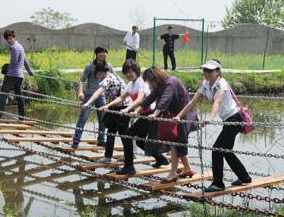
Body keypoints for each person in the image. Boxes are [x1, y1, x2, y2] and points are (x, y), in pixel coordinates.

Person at [175, 59, 252, 192]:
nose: (207, 73)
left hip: (234, 119)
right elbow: (192, 102)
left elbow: (217, 102)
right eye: (205, 70)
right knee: (226, 151)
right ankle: (244, 177)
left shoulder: (222, 83)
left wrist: (210, 118)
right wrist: (179, 116)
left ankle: (218, 184)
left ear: (218, 71)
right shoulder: (206, 84)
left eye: (210, 70)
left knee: (217, 149)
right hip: (227, 121)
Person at [100, 59, 168, 174]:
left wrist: (127, 109)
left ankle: (129, 167)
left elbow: (140, 99)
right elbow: (121, 98)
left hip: (149, 114)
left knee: (127, 137)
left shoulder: (141, 83)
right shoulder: (130, 84)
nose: (128, 74)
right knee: (140, 141)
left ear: (136, 71)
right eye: (126, 72)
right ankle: (160, 158)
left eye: (130, 72)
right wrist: (108, 105)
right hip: (142, 115)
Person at [136, 67, 197, 183]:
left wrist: (155, 114)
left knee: (174, 143)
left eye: (150, 81)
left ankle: (173, 173)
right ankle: (188, 169)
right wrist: (136, 111)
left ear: (156, 78)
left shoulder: (171, 83)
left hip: (184, 115)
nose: (150, 84)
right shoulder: (160, 85)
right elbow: (149, 99)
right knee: (176, 142)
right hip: (175, 116)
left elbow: (165, 99)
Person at [82, 64, 131, 164]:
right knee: (122, 133)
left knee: (114, 132)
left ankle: (109, 157)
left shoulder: (107, 79)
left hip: (120, 108)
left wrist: (88, 102)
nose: (97, 77)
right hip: (126, 106)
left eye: (97, 75)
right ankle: (128, 155)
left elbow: (98, 92)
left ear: (100, 72)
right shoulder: (115, 75)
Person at [72, 46, 114, 148]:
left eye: (104, 53)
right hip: (89, 95)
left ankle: (101, 140)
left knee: (103, 119)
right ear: (96, 54)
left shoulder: (108, 66)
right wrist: (81, 92)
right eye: (100, 53)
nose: (102, 55)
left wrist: (112, 97)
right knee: (83, 118)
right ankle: (76, 141)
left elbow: (113, 80)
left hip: (101, 96)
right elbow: (82, 80)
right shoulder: (90, 66)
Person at [0, 29, 34, 120]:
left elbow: (13, 62)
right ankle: (22, 117)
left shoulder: (13, 47)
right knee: (19, 96)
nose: (9, 41)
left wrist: (7, 68)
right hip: (20, 76)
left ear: (14, 38)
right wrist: (29, 71)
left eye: (10, 38)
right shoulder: (20, 46)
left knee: (3, 94)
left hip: (12, 76)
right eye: (7, 39)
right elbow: (24, 60)